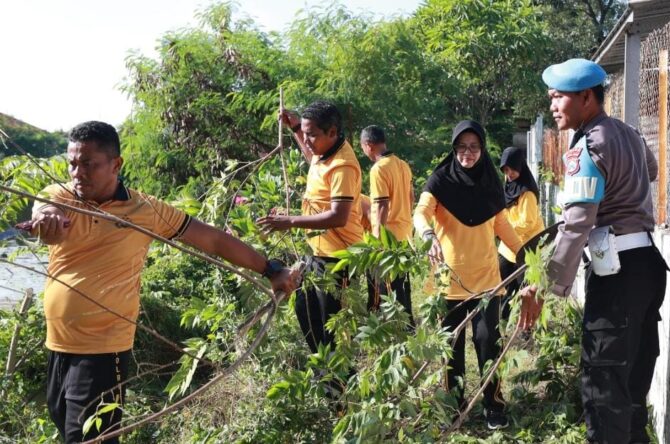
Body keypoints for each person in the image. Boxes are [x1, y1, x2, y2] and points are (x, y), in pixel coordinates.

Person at [30, 121, 297, 443]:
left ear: (115, 164)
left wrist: (270, 270)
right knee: (66, 429)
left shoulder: (144, 210)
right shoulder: (59, 195)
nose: (77, 173)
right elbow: (46, 211)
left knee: (86, 439)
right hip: (58, 345)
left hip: (103, 349)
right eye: (72, 163)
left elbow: (211, 240)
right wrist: (46, 220)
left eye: (88, 164)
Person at [520, 58, 668, 444]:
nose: (552, 106)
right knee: (633, 385)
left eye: (559, 98)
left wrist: (544, 285)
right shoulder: (629, 133)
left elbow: (577, 224)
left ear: (586, 97)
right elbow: (650, 171)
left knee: (604, 389)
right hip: (648, 266)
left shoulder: (587, 147)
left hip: (616, 275)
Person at [413, 120, 523, 430]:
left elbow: (503, 227)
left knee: (489, 344)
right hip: (448, 284)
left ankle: (494, 406)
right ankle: (454, 405)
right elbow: (421, 212)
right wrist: (426, 234)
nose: (467, 153)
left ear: (482, 149)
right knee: (452, 351)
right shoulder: (439, 182)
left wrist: (528, 254)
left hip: (488, 283)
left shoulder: (491, 184)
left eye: (474, 147)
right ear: (453, 149)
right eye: (461, 147)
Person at [258, 101, 364, 358]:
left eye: (312, 134)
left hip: (339, 259)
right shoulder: (323, 153)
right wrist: (295, 127)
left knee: (333, 328)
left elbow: (339, 217)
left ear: (333, 132)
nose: (307, 140)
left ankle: (338, 384)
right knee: (306, 311)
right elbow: (312, 157)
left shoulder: (343, 166)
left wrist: (291, 221)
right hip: (316, 253)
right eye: (305, 133)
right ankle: (323, 371)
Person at [359, 125, 415, 324]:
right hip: (405, 235)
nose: (364, 152)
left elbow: (382, 203)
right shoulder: (402, 165)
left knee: (383, 287)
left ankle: (385, 326)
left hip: (388, 238)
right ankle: (407, 326)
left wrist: (378, 239)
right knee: (401, 285)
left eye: (363, 147)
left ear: (369, 145)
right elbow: (411, 197)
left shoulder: (379, 169)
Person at [496, 146, 545, 317]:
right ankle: (502, 324)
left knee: (527, 290)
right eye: (506, 170)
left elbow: (528, 223)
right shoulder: (507, 188)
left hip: (528, 248)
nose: (510, 174)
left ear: (521, 167)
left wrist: (502, 228)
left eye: (513, 169)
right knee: (502, 288)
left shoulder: (527, 192)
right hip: (507, 247)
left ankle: (527, 329)